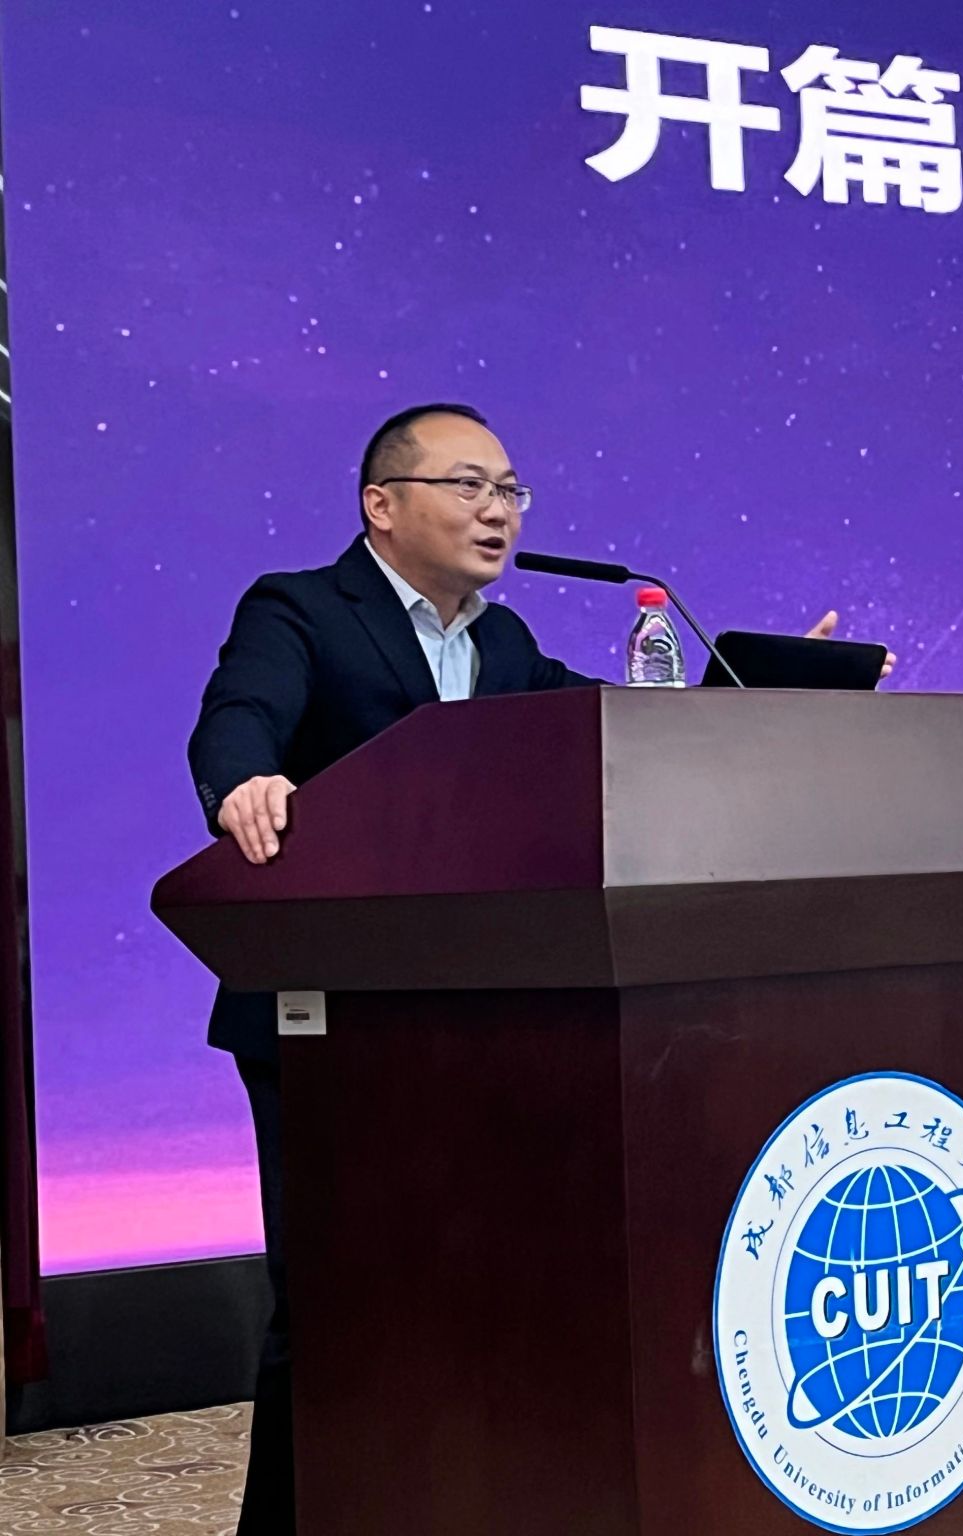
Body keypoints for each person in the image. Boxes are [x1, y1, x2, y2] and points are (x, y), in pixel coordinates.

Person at [187, 402, 879, 1534]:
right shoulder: (300, 609)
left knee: (478, 1302)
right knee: (336, 1306)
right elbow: (238, 717)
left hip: (477, 1017)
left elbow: (618, 737)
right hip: (326, 1019)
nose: (497, 511)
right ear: (381, 504)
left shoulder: (503, 646)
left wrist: (759, 693)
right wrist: (244, 785)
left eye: (509, 490)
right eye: (467, 486)